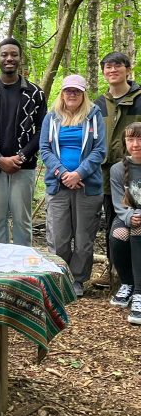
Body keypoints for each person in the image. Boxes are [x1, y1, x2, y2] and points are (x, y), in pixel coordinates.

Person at [0, 37, 46, 246]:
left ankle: (24, 272)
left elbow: (43, 130)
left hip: (24, 167)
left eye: (14, 54)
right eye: (4, 54)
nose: (9, 58)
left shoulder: (35, 93)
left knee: (23, 221)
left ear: (20, 58)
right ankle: (0, 269)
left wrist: (21, 156)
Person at [40, 75, 106, 297]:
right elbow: (45, 149)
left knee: (84, 238)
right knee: (58, 237)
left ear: (83, 94)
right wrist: (63, 173)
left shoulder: (93, 115)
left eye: (76, 91)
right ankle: (59, 278)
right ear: (62, 93)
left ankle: (77, 281)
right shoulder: (52, 117)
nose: (71, 94)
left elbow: (100, 150)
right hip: (58, 186)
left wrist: (79, 173)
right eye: (68, 91)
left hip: (87, 187)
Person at [93, 52, 141, 287]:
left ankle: (136, 275)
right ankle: (115, 270)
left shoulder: (140, 98)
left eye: (117, 66)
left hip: (137, 172)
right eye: (107, 67)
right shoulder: (99, 103)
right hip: (107, 173)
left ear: (128, 70)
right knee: (114, 220)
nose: (112, 70)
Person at [109, 122, 141, 324]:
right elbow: (118, 203)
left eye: (139, 139)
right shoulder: (117, 169)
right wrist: (131, 216)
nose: (136, 144)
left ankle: (139, 293)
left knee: (138, 230)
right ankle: (128, 283)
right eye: (130, 139)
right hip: (128, 216)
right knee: (119, 234)